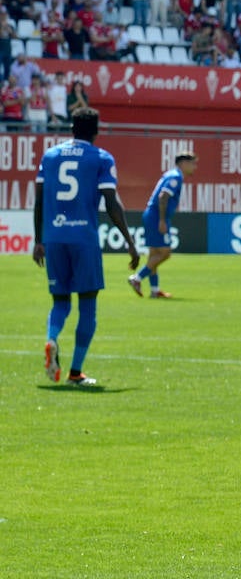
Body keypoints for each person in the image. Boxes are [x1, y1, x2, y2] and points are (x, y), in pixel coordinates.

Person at [33, 107, 141, 386]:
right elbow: (111, 203)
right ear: (96, 130)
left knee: (60, 301)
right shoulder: (101, 158)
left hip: (54, 238)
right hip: (84, 239)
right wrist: (129, 241)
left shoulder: (51, 156)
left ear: (71, 128)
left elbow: (39, 200)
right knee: (88, 305)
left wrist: (38, 239)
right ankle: (75, 372)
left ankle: (51, 339)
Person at [128, 153, 198, 299]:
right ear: (183, 163)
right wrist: (161, 220)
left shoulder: (171, 174)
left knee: (154, 255)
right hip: (156, 217)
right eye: (192, 163)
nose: (194, 167)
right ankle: (137, 278)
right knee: (165, 253)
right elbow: (163, 196)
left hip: (151, 215)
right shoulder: (176, 177)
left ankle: (154, 290)